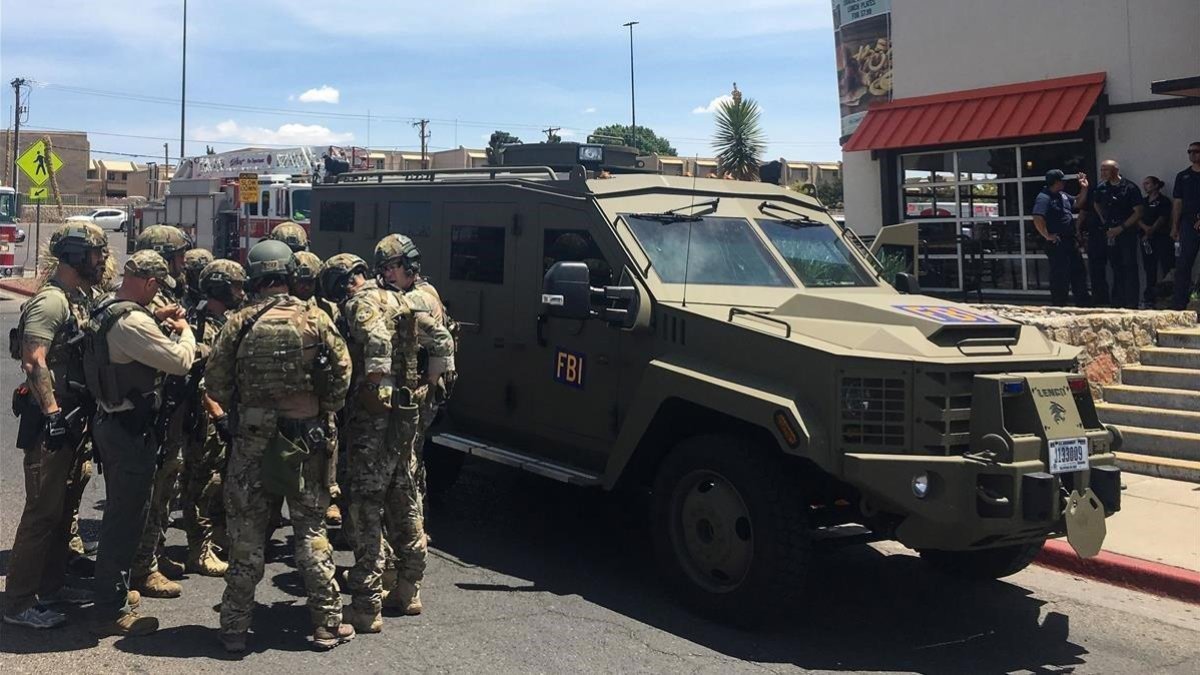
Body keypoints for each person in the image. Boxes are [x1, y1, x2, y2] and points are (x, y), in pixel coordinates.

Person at [207, 240, 353, 653]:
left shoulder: (238, 321)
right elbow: (342, 377)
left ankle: (234, 628)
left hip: (252, 442)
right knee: (311, 531)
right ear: (289, 274)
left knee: (247, 537)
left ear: (254, 277)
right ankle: (326, 624)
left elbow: (215, 384)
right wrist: (318, 407)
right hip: (306, 441)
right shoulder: (317, 318)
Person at [319, 252, 452, 630]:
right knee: (404, 495)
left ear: (345, 283)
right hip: (406, 415)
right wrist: (429, 382)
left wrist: (377, 383)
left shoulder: (362, 303)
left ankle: (365, 606)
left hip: (373, 420)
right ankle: (408, 589)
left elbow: (375, 339)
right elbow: (440, 338)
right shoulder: (401, 298)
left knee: (364, 506)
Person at [87, 250, 196, 637]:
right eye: (156, 291)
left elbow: (130, 330)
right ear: (150, 284)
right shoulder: (132, 322)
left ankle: (112, 590)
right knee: (125, 518)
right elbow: (180, 361)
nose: (158, 299)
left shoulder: (107, 308)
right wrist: (186, 331)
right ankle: (111, 608)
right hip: (129, 431)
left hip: (111, 421)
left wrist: (157, 318)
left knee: (122, 512)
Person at [4, 225, 108, 630]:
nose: (101, 261)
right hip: (54, 422)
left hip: (74, 419)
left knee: (64, 508)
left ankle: (50, 586)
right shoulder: (50, 302)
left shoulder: (77, 298)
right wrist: (51, 414)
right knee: (41, 514)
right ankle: (17, 603)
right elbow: (34, 360)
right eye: (97, 254)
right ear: (78, 256)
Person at [130, 224, 193, 599]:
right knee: (153, 487)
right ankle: (143, 565)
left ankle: (154, 550)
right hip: (151, 409)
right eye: (178, 256)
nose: (183, 262)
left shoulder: (167, 294)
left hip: (170, 404)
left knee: (167, 484)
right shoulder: (150, 301)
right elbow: (168, 353)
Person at [179, 259, 247, 577]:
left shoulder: (228, 320)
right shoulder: (200, 323)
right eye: (235, 286)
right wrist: (218, 417)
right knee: (202, 485)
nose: (241, 292)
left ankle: (218, 537)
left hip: (228, 412)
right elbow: (201, 377)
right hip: (206, 418)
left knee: (224, 482)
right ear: (220, 287)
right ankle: (199, 549)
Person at [291, 250, 344, 528]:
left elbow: (341, 358)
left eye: (308, 282)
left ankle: (330, 499)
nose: (303, 287)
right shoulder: (279, 308)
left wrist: (333, 400)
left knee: (327, 448)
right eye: (298, 281)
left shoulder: (326, 310)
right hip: (287, 394)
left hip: (319, 394)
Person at [1032, 169, 1091, 307]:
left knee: (1078, 271)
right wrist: (1046, 235)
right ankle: (1059, 304)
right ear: (1056, 182)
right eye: (1062, 180)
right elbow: (1037, 217)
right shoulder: (1044, 197)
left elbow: (1077, 203)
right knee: (1060, 274)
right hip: (1057, 241)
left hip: (1070, 240)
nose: (1064, 183)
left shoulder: (1062, 195)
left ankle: (1083, 302)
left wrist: (1084, 188)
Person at [1092, 160, 1144, 309]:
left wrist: (1121, 228)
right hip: (1110, 232)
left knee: (1129, 266)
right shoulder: (1102, 188)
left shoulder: (1129, 187)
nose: (1102, 173)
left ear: (1115, 171)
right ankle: (1117, 301)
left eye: (1105, 170)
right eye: (1101, 170)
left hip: (1126, 232)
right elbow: (1096, 203)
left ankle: (1131, 302)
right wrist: (1104, 221)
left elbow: (1138, 211)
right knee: (1115, 267)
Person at [1172, 141, 1200, 311]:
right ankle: (1179, 305)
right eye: (1189, 151)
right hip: (1188, 225)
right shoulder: (1183, 176)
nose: (1192, 154)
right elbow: (1177, 202)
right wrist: (1175, 226)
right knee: (1183, 264)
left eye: (1196, 151)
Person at [1140, 176, 1175, 307]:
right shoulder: (1143, 202)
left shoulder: (1163, 201)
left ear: (1156, 185)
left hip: (1162, 238)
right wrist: (1145, 229)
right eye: (1144, 184)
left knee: (1166, 267)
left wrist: (1151, 229)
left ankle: (1168, 296)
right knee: (1150, 269)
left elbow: (1163, 218)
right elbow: (1137, 215)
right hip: (1146, 240)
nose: (1145, 186)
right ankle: (1150, 298)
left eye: (1148, 183)